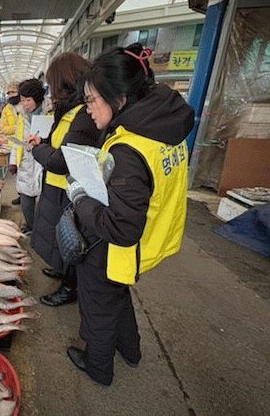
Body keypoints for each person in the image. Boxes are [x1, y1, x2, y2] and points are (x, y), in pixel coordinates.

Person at [64, 43, 194, 386]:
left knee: (97, 307)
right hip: (151, 237)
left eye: (92, 100)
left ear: (118, 97)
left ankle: (98, 367)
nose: (87, 109)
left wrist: (80, 197)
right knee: (118, 296)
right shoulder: (164, 127)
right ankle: (131, 349)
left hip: (114, 248)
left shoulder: (128, 149)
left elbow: (120, 228)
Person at [27, 52, 101, 306]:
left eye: (52, 84)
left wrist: (37, 150)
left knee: (72, 238)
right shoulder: (68, 110)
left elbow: (62, 161)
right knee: (58, 236)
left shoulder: (84, 115)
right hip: (58, 187)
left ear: (65, 82)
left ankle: (70, 287)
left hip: (71, 190)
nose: (51, 91)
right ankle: (62, 271)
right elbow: (61, 143)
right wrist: (43, 141)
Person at [9, 79, 48, 234]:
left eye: (28, 100)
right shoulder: (22, 116)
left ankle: (42, 228)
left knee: (45, 200)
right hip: (26, 161)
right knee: (26, 200)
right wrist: (13, 161)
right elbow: (17, 139)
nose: (25, 104)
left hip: (43, 161)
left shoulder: (50, 113)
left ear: (37, 98)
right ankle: (31, 226)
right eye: (23, 100)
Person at [0, 81, 23, 205]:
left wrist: (16, 128)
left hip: (27, 142)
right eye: (8, 93)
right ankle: (21, 195)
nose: (11, 95)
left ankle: (28, 195)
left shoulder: (26, 105)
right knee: (17, 173)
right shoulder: (7, 109)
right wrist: (20, 127)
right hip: (14, 144)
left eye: (13, 92)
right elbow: (4, 129)